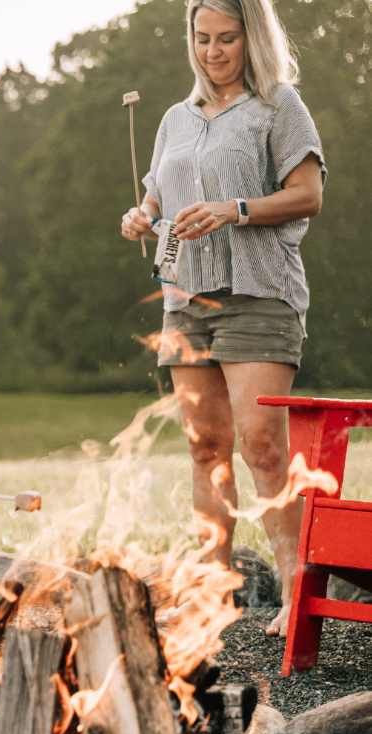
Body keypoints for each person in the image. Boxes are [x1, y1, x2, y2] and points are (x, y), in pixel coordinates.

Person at [120, 0, 325, 636]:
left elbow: (308, 194)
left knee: (262, 445)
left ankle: (297, 597)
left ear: (251, 38)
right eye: (203, 39)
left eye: (227, 39)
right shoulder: (175, 118)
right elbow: (159, 193)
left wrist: (233, 208)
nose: (213, 51)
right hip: (187, 301)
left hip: (259, 295)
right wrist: (139, 216)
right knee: (205, 447)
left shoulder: (278, 106)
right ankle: (212, 594)